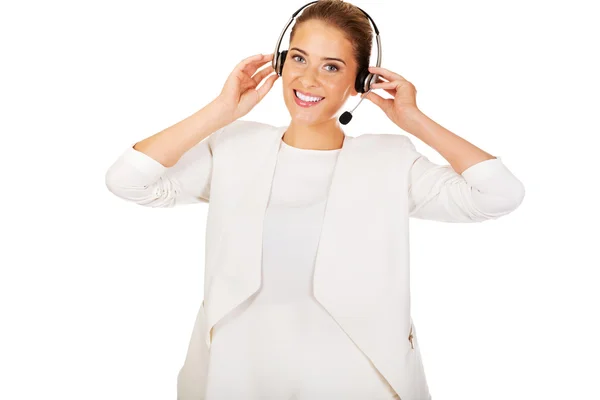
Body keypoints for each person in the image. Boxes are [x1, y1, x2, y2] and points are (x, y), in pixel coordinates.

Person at [105, 1, 525, 399]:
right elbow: (127, 180)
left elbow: (498, 194)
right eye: (299, 58)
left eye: (332, 67)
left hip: (356, 374)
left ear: (360, 83)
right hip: (243, 370)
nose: (308, 80)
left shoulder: (389, 160)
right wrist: (221, 111)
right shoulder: (234, 147)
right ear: (281, 61)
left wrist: (414, 120)